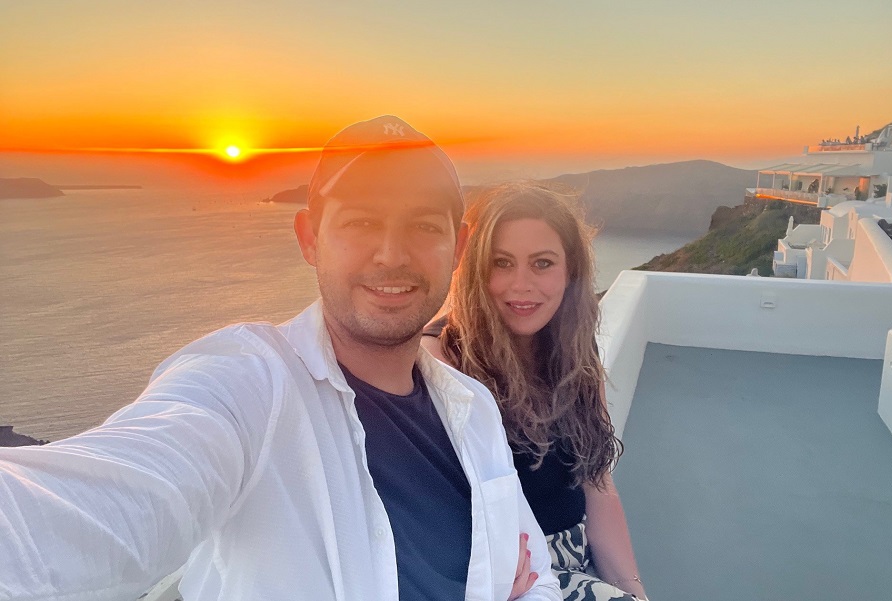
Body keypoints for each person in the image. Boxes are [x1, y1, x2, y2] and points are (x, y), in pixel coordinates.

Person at [0, 116, 560, 601]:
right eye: (361, 222)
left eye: (423, 225)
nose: (392, 254)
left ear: (457, 248)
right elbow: (97, 507)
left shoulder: (473, 408)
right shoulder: (249, 383)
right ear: (310, 238)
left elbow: (536, 576)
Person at [421, 183, 649, 601]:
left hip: (578, 559)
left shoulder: (575, 351)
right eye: (501, 263)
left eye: (542, 263)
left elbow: (596, 484)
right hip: (507, 578)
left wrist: (634, 590)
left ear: (570, 270)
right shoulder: (441, 360)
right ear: (474, 269)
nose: (521, 285)